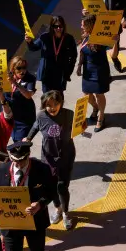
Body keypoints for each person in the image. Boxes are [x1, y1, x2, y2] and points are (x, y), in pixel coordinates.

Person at [24, 89, 78, 229]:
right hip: (48, 158)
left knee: (62, 186)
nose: (52, 108)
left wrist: (82, 128)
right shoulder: (41, 116)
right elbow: (36, 126)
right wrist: (28, 137)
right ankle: (58, 208)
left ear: (61, 103)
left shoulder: (69, 114)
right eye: (49, 105)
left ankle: (66, 213)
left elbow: (78, 126)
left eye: (55, 104)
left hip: (66, 156)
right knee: (51, 187)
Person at [77, 13, 112, 132]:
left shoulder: (101, 39)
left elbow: (113, 53)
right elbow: (82, 52)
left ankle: (101, 117)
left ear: (90, 26)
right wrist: (79, 66)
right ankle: (96, 108)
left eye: (83, 25)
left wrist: (116, 42)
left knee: (99, 94)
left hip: (99, 70)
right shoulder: (85, 36)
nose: (81, 27)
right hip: (88, 70)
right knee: (86, 93)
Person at [25, 15, 77, 93]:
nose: (58, 28)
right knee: (47, 97)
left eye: (61, 26)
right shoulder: (45, 37)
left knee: (59, 97)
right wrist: (29, 42)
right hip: (47, 73)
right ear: (52, 27)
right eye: (56, 26)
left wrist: (69, 71)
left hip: (61, 73)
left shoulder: (69, 39)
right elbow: (33, 48)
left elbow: (74, 56)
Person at [4, 56, 38, 143]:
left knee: (22, 143)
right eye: (19, 68)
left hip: (24, 117)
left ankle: (25, 156)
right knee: (15, 140)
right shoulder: (6, 78)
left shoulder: (30, 78)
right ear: (13, 68)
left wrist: (15, 83)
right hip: (12, 116)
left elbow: (28, 95)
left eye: (24, 67)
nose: (22, 71)